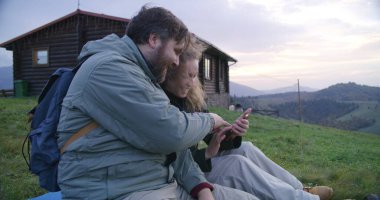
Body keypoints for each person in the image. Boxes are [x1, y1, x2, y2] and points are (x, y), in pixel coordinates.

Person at [57, 5, 259, 200]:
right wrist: (211, 120)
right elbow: (171, 132)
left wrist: (201, 188)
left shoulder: (143, 78)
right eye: (176, 51)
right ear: (154, 39)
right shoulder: (108, 68)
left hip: (158, 185)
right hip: (121, 192)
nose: (176, 62)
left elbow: (173, 150)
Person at [161, 35, 334, 200]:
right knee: (236, 164)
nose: (192, 83)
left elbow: (210, 137)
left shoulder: (191, 96)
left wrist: (231, 134)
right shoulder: (162, 104)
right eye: (188, 75)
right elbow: (174, 162)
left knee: (246, 148)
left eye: (195, 76)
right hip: (187, 172)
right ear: (170, 72)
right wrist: (207, 153)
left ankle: (298, 188)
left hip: (200, 160)